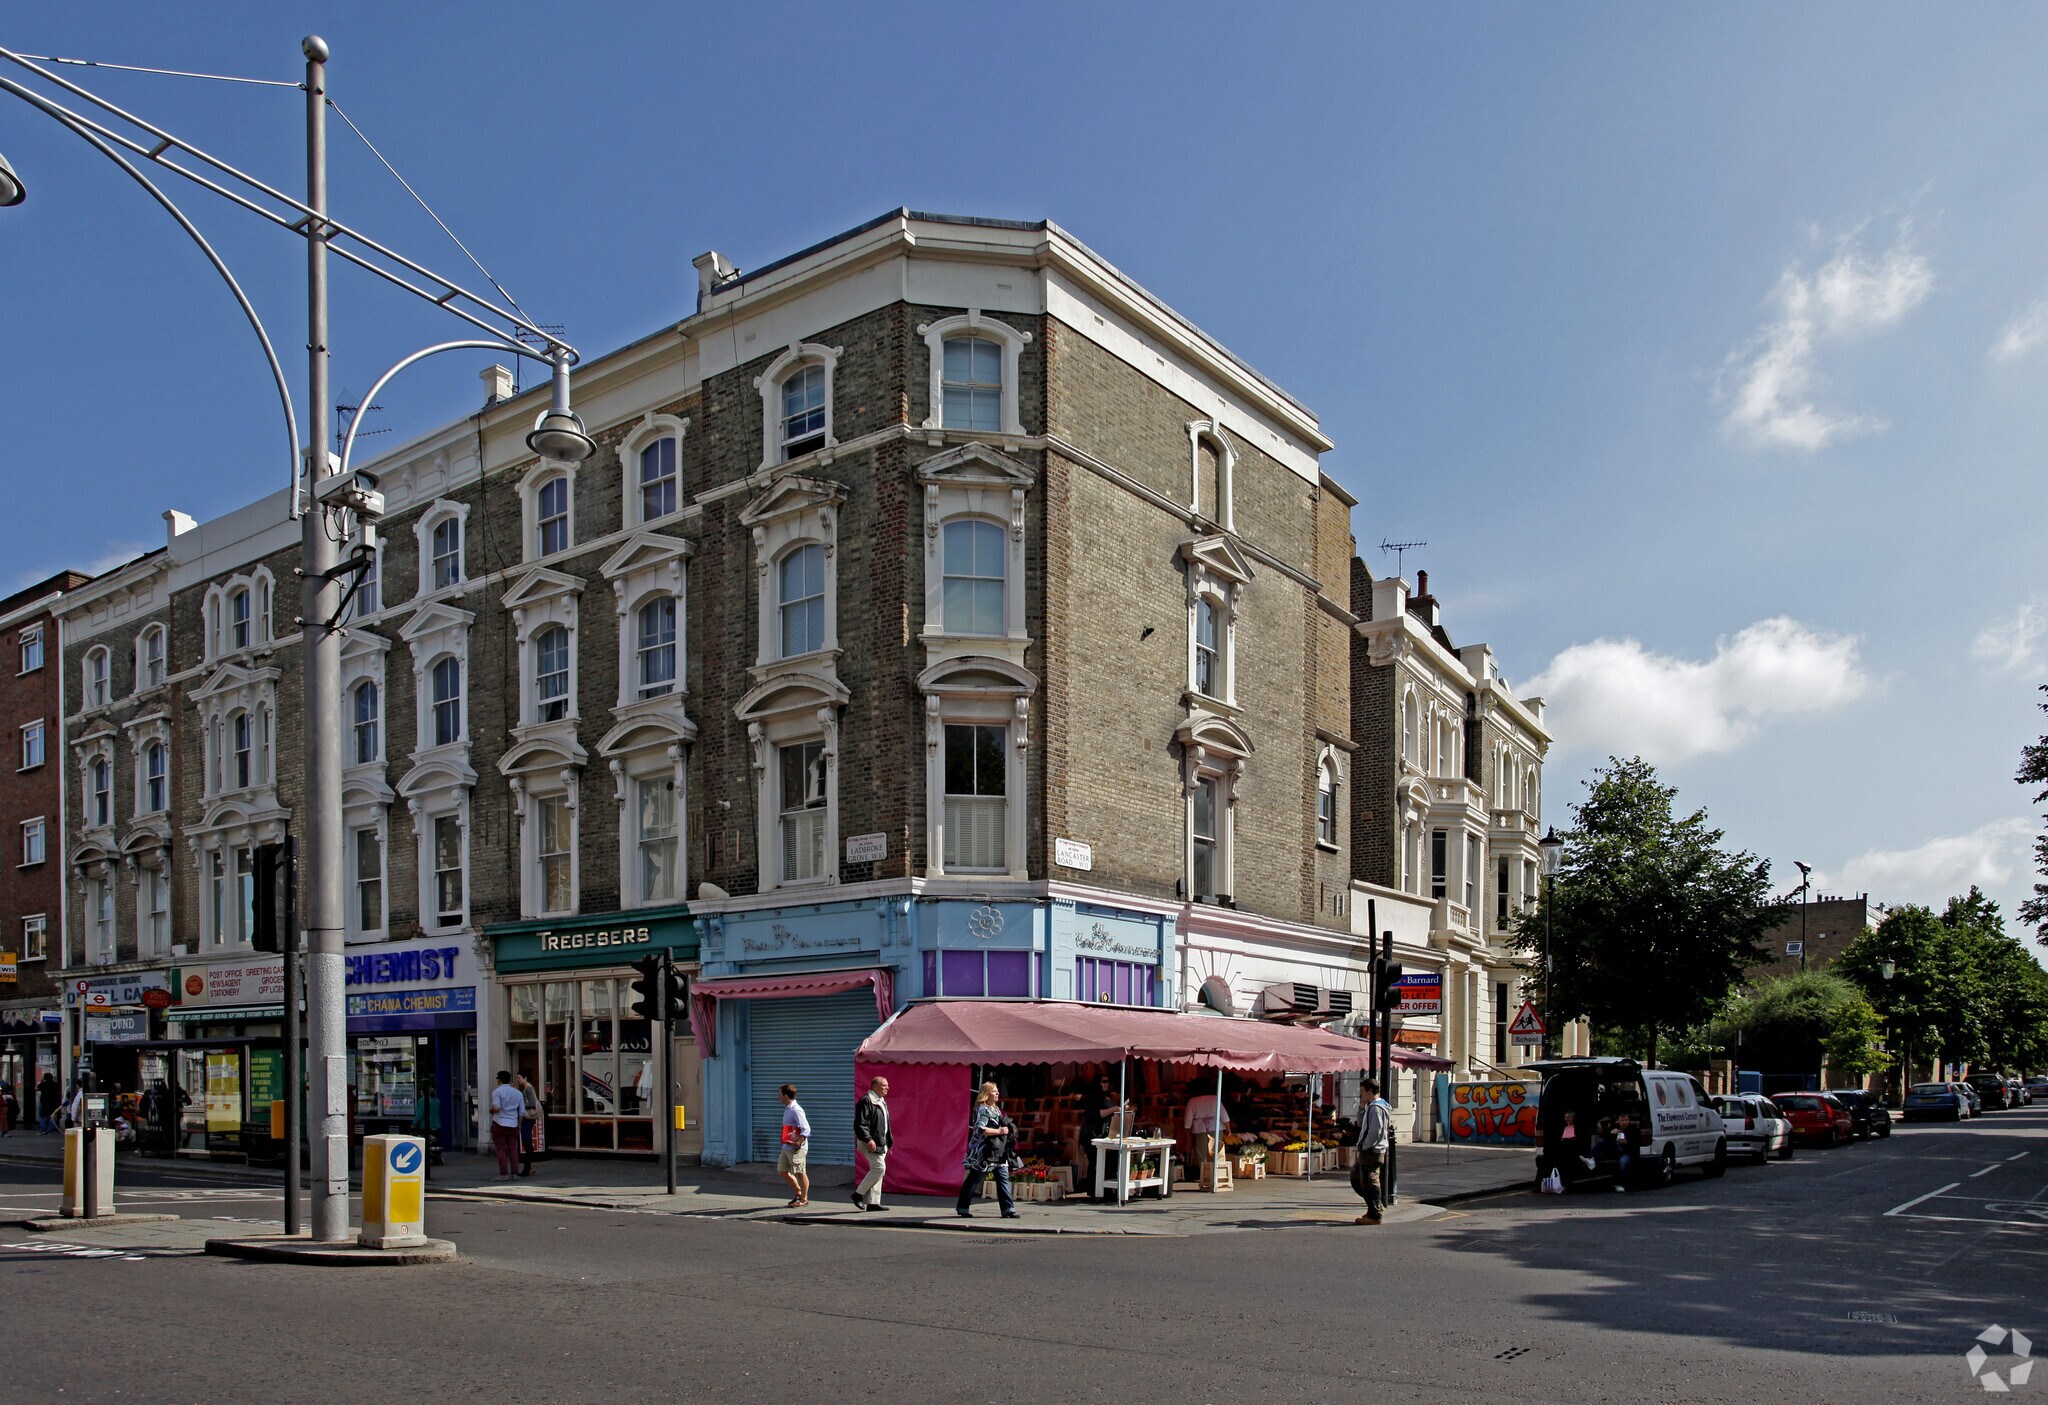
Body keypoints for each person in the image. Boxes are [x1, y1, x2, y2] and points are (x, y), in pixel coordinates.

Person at [957, 1082, 1020, 1219]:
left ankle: (1008, 1210)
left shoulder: (996, 1109)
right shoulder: (983, 1109)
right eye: (994, 1091)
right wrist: (999, 1130)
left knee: (1003, 1178)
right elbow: (980, 1129)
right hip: (984, 1153)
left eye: (997, 1091)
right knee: (974, 1179)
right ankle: (962, 1208)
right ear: (986, 1094)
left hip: (997, 1151)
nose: (997, 1093)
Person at [1351, 1077, 1390, 1225]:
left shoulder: (1376, 1108)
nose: (1361, 1094)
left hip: (1372, 1150)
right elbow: (1361, 1124)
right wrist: (1362, 1107)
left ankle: (1374, 1213)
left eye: (1362, 1091)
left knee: (1369, 1181)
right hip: (1373, 1149)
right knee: (1357, 1177)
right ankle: (1375, 1205)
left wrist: (1366, 1146)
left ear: (1370, 1091)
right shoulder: (1372, 1106)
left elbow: (1375, 1131)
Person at [852, 1075, 892, 1211]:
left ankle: (873, 1202)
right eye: (884, 1085)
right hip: (871, 1142)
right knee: (879, 1168)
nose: (887, 1088)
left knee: (878, 1171)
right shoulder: (866, 1100)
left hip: (881, 1142)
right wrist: (868, 1139)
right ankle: (858, 1194)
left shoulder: (880, 1100)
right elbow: (860, 1124)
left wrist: (887, 1141)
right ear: (875, 1086)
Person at [1183, 1082, 1232, 1186]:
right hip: (1215, 1126)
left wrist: (1187, 1128)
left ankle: (1205, 1175)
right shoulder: (1215, 1098)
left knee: (1201, 1153)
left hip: (1199, 1128)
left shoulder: (1192, 1101)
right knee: (1216, 1152)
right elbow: (1224, 1115)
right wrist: (1228, 1128)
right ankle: (1217, 1174)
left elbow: (1188, 1118)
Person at [777, 1084, 811, 1207]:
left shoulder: (796, 1109)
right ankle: (798, 1193)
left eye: (780, 1095)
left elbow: (806, 1129)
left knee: (800, 1172)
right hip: (786, 1147)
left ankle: (804, 1199)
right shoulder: (788, 1108)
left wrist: (798, 1142)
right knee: (782, 1170)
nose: (778, 1097)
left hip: (797, 1149)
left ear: (785, 1096)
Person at [487, 1070, 524, 1181]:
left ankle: (503, 1174)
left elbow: (496, 1108)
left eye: (497, 1078)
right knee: (513, 1149)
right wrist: (519, 1124)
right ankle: (515, 1173)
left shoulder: (497, 1092)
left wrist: (491, 1110)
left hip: (499, 1124)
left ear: (500, 1080)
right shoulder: (518, 1093)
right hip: (513, 1124)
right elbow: (522, 1112)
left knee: (501, 1149)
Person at [412, 1081, 444, 1172]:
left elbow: (420, 1114)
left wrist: (414, 1124)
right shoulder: (437, 1101)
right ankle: (436, 1157)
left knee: (426, 1143)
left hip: (426, 1125)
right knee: (435, 1143)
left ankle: (426, 1158)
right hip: (436, 1125)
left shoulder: (422, 1100)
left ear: (423, 1091)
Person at [514, 1073, 541, 1177]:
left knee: (526, 1142)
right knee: (527, 1142)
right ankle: (530, 1167)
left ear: (525, 1077)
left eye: (519, 1077)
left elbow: (532, 1103)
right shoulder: (527, 1088)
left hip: (528, 1118)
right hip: (528, 1118)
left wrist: (520, 1104)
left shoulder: (528, 1088)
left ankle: (528, 1168)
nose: (518, 1080)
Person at [1604, 1112, 1636, 1191]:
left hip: (1627, 1152)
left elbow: (1635, 1144)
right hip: (1614, 1152)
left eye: (1626, 1120)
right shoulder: (1615, 1128)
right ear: (1618, 1121)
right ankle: (1592, 1160)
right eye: (1622, 1120)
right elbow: (1605, 1139)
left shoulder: (1632, 1129)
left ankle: (1620, 1184)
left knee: (1623, 1161)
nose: (1624, 1122)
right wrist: (1611, 1133)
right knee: (1601, 1142)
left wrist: (1627, 1142)